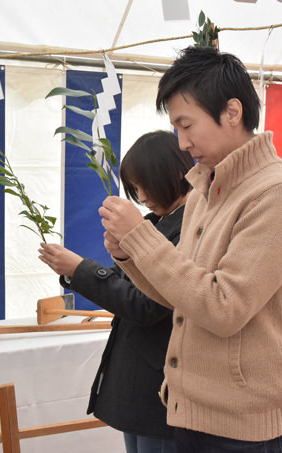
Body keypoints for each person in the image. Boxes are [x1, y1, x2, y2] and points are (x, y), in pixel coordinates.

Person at [98, 46, 282, 452]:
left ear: (232, 112)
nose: (181, 142)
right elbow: (180, 294)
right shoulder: (205, 187)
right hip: (195, 410)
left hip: (246, 426)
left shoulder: (277, 195)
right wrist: (130, 255)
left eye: (186, 125)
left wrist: (142, 238)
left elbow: (223, 307)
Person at [38, 130, 194, 453]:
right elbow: (118, 281)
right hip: (137, 380)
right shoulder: (154, 223)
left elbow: (144, 303)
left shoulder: (189, 227)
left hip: (161, 384)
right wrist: (76, 270)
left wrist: (78, 269)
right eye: (135, 187)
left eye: (144, 184)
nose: (141, 195)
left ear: (173, 173)